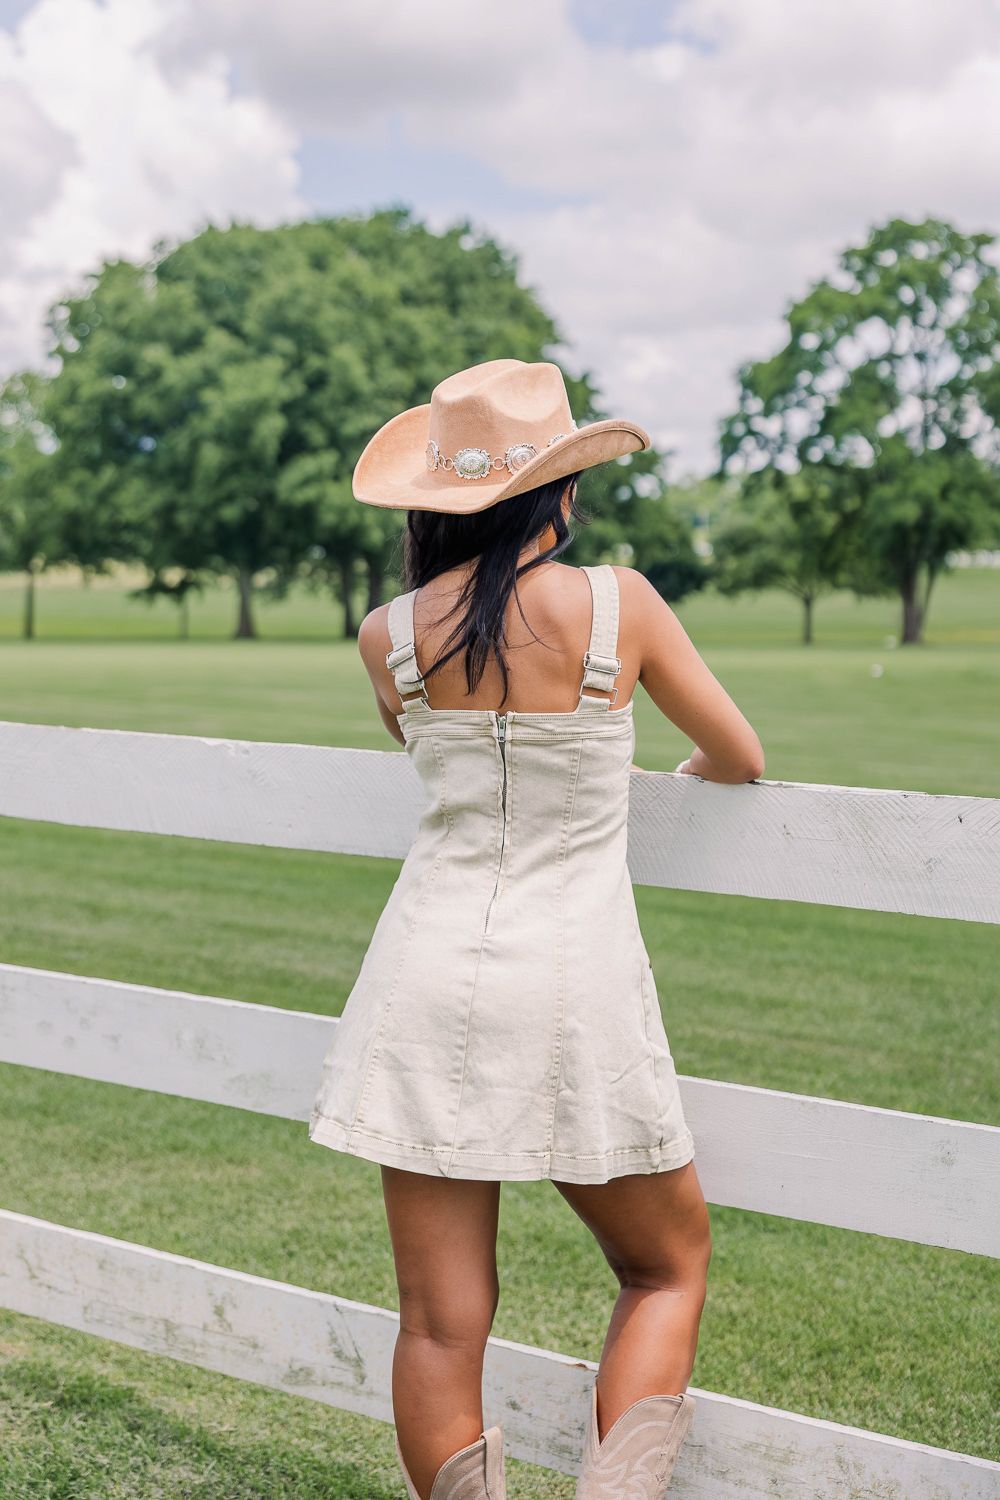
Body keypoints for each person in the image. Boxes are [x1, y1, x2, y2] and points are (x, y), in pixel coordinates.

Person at [308, 359, 765, 1500]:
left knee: (439, 1319)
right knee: (665, 1266)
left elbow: (426, 744)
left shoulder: (387, 634)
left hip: (425, 976)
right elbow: (738, 754)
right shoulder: (618, 606)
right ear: (556, 491)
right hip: (572, 979)